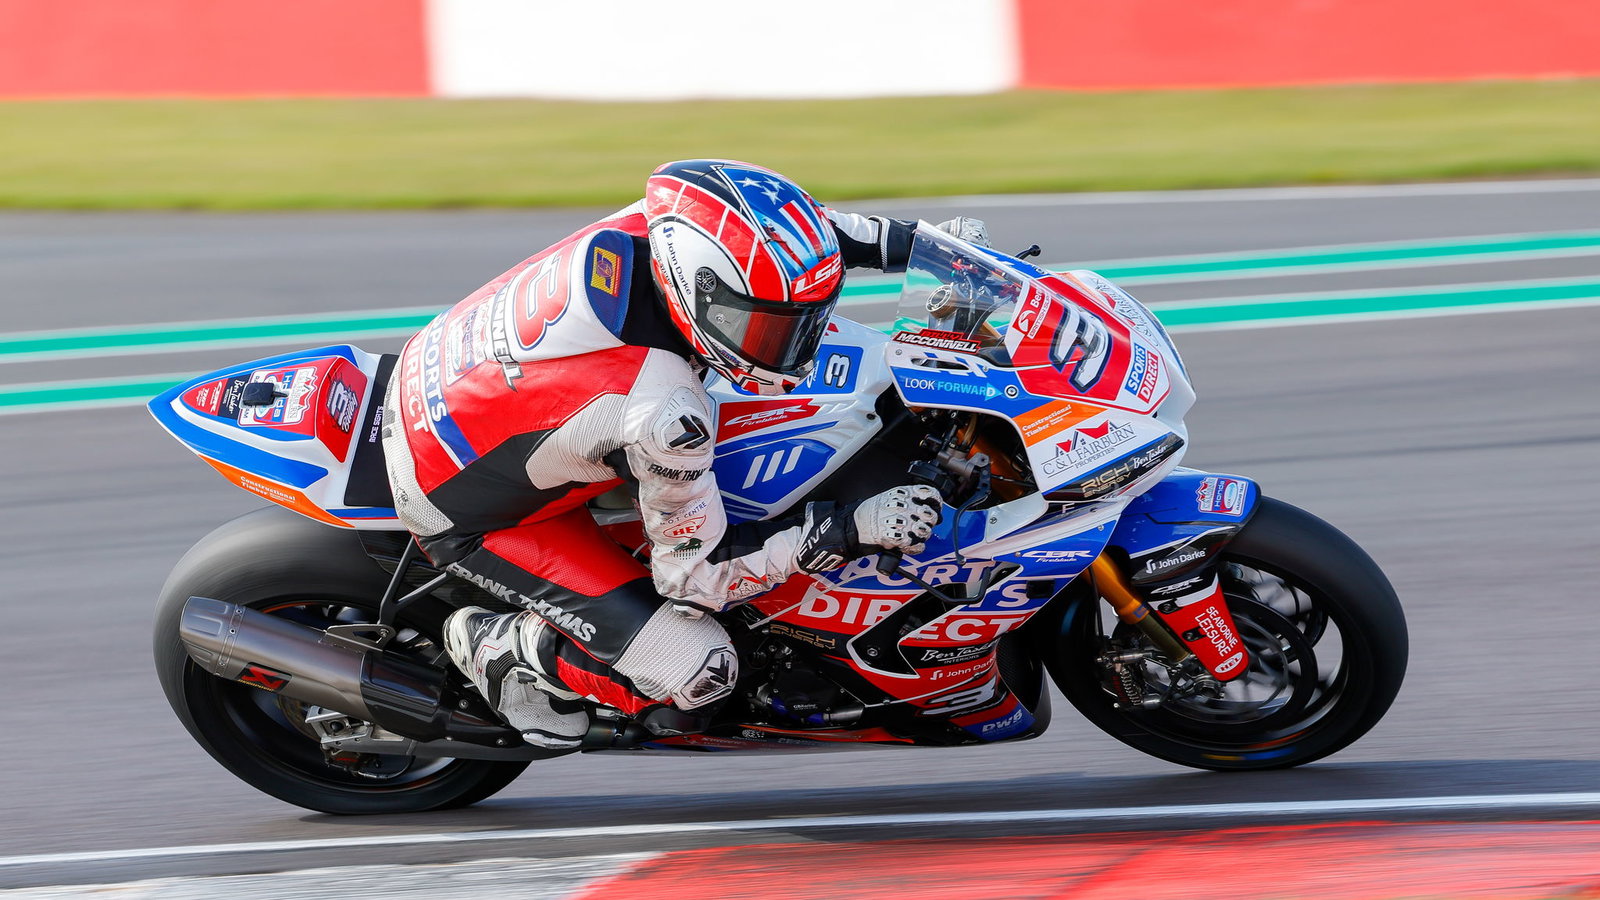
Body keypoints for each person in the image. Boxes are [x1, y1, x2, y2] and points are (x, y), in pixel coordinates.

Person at [381, 159, 987, 748]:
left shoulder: (673, 225)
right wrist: (846, 528)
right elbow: (695, 579)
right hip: (461, 503)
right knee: (704, 672)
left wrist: (940, 251)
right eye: (766, 330)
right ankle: (509, 648)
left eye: (804, 323)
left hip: (455, 383)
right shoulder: (665, 411)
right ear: (698, 291)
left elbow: (808, 237)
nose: (792, 353)